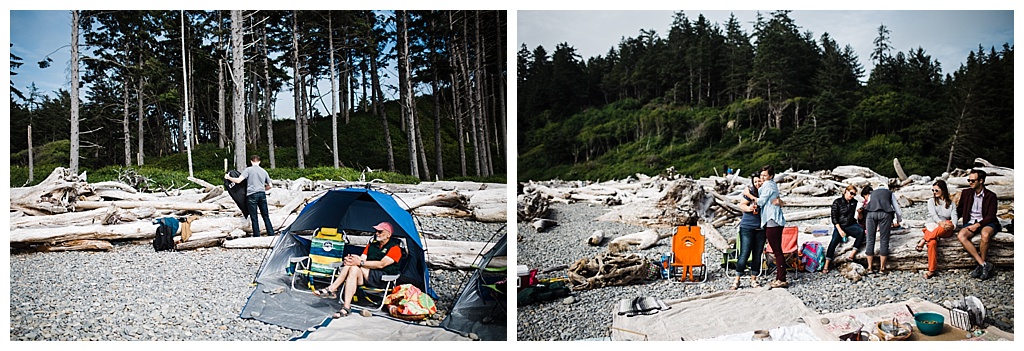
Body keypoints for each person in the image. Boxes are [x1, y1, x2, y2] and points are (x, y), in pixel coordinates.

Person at [313, 222, 403, 318]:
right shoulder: (372, 245)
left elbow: (381, 264)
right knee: (352, 267)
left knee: (354, 266)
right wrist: (351, 259)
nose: (377, 233)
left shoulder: (395, 248)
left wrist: (359, 263)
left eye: (380, 232)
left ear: (389, 234)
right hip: (365, 275)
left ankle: (332, 289)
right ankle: (346, 306)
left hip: (382, 278)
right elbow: (362, 259)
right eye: (376, 231)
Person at [955, 169, 1001, 281]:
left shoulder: (991, 196)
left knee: (985, 235)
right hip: (970, 221)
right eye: (969, 180)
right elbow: (959, 210)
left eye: (973, 180)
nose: (970, 182)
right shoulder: (966, 193)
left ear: (981, 181)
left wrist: (978, 225)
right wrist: (950, 220)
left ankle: (982, 265)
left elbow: (991, 215)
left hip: (986, 222)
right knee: (961, 236)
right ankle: (983, 264)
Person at [729, 173, 766, 290]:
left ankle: (754, 279)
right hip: (747, 227)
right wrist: (749, 208)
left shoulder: (766, 193)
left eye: (759, 181)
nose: (758, 184)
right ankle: (737, 279)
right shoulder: (750, 192)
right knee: (744, 253)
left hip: (761, 228)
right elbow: (742, 205)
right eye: (755, 182)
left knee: (757, 254)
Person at [915, 180, 958, 279]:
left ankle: (924, 239)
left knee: (948, 223)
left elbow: (954, 216)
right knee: (932, 243)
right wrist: (940, 222)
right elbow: (933, 215)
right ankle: (931, 270)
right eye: (933, 190)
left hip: (945, 228)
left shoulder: (951, 204)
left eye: (936, 190)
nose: (934, 192)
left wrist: (953, 226)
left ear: (943, 190)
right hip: (932, 226)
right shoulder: (931, 201)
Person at [224, 155, 275, 237]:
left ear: (251, 161)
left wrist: (228, 177)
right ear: (259, 161)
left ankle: (257, 235)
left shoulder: (248, 170)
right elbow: (270, 185)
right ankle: (271, 233)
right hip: (262, 194)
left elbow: (238, 181)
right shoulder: (264, 171)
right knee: (265, 215)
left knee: (254, 216)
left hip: (252, 195)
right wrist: (263, 189)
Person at [756, 165, 788, 289]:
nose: (763, 178)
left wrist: (749, 195)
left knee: (777, 251)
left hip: (772, 220)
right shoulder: (770, 185)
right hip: (774, 220)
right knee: (777, 250)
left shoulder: (768, 184)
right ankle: (780, 276)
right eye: (761, 175)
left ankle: (781, 278)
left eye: (765, 175)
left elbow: (761, 201)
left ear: (771, 176)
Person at [823, 185, 866, 274]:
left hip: (851, 224)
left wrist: (860, 213)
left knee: (861, 232)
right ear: (845, 191)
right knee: (834, 241)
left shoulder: (854, 202)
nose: (852, 196)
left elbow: (860, 219)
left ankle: (852, 255)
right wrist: (840, 230)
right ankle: (826, 265)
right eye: (851, 193)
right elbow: (834, 218)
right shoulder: (837, 202)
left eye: (854, 194)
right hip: (840, 225)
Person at [863, 181, 903, 274]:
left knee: (870, 239)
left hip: (871, 214)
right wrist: (899, 220)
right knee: (884, 240)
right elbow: (897, 208)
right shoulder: (889, 193)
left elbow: (867, 204)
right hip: (885, 214)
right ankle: (882, 268)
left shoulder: (872, 193)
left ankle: (869, 267)